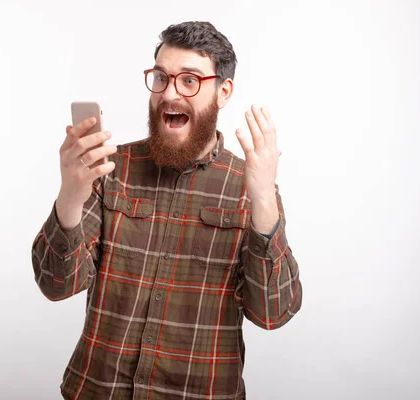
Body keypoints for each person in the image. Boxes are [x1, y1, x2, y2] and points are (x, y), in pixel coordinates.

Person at [31, 21, 302, 400]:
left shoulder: (252, 187)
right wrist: (70, 195)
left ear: (223, 92)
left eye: (189, 80)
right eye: (161, 77)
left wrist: (264, 204)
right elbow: (57, 285)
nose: (170, 93)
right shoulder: (110, 169)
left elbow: (273, 314)